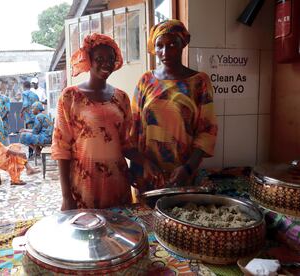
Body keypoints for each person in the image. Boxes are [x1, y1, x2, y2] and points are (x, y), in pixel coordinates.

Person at [127, 20, 218, 192]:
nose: (165, 51)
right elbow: (134, 128)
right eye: (159, 46)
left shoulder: (199, 82)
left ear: (182, 44)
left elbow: (207, 131)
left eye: (171, 44)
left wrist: (188, 168)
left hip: (182, 173)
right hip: (148, 174)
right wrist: (138, 166)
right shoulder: (146, 80)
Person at [51, 33, 132, 210]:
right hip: (84, 184)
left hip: (117, 181)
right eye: (99, 58)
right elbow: (61, 148)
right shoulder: (70, 96)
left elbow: (127, 144)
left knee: (119, 233)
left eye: (111, 58)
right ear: (88, 60)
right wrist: (66, 196)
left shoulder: (122, 98)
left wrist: (149, 164)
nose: (106, 63)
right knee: (87, 233)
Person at [0, 115, 39, 185]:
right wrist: (20, 154)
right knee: (13, 155)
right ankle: (16, 179)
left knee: (14, 147)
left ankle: (28, 169)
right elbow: (3, 149)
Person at [20, 81, 39, 158]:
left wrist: (21, 111)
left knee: (28, 136)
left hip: (29, 118)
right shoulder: (35, 94)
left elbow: (25, 104)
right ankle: (37, 151)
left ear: (24, 86)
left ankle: (32, 153)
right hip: (36, 117)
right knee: (35, 134)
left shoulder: (25, 93)